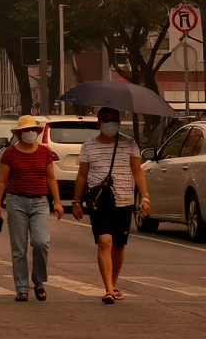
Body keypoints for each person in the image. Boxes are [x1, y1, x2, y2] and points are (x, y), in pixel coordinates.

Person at [73, 107, 149, 304]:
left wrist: (145, 197)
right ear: (99, 122)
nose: (110, 123)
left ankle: (113, 283)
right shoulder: (88, 146)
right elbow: (82, 175)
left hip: (124, 200)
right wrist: (76, 201)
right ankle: (108, 289)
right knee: (104, 240)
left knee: (118, 245)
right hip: (100, 201)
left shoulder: (129, 143)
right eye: (106, 119)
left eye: (114, 119)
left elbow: (137, 171)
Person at [0, 115, 63, 302]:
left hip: (40, 202)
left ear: (37, 132)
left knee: (41, 243)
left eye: (33, 130)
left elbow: (51, 178)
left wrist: (57, 202)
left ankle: (38, 281)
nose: (30, 133)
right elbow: (2, 181)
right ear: (20, 133)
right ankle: (22, 288)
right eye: (26, 131)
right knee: (19, 249)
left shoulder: (44, 152)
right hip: (17, 202)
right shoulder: (10, 154)